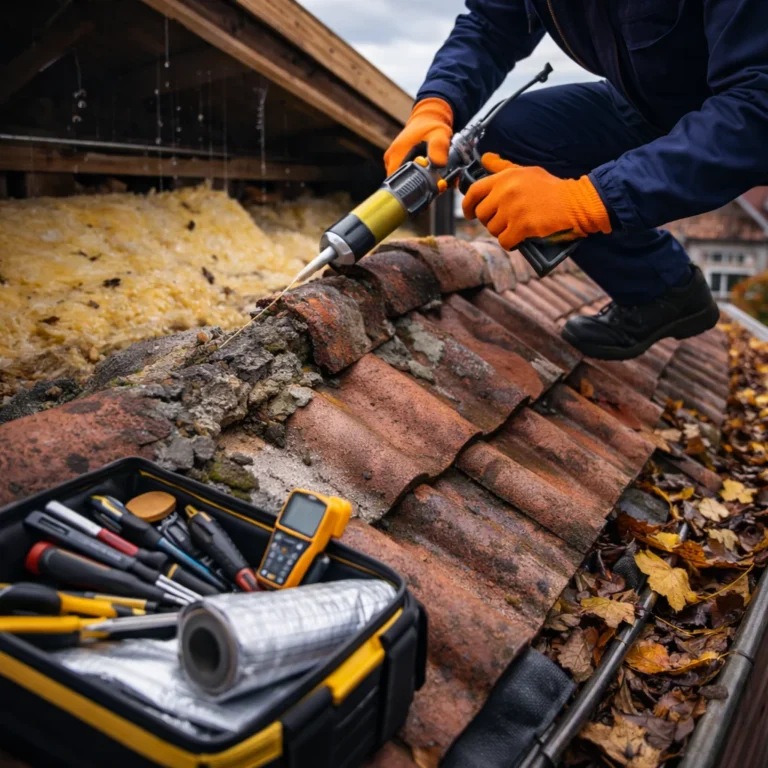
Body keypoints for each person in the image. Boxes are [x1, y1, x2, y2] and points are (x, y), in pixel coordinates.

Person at [384, 0, 768, 360]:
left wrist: (590, 200)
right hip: (647, 106)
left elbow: (756, 108)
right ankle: (661, 290)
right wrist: (437, 103)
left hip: (736, 112)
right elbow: (491, 24)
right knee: (512, 141)